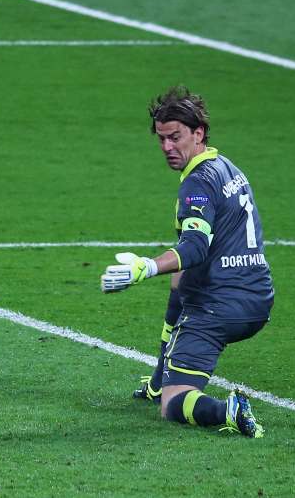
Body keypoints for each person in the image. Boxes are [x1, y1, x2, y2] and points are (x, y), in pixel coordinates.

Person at [100, 86, 274, 437]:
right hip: (258, 299)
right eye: (161, 139)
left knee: (174, 403)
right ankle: (161, 376)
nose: (167, 147)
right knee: (181, 280)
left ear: (198, 133)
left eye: (175, 137)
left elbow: (194, 249)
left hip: (219, 308)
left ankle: (228, 410)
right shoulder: (227, 168)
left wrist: (144, 267)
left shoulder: (197, 183)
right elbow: (187, 268)